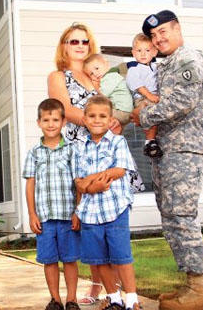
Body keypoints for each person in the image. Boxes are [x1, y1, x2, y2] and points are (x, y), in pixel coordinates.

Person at [130, 10, 203, 310]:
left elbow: (182, 102)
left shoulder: (188, 58)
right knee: (171, 218)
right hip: (167, 150)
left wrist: (143, 116)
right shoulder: (166, 64)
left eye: (163, 31)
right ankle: (190, 287)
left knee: (181, 215)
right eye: (153, 36)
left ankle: (200, 290)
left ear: (177, 28)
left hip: (184, 149)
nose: (159, 38)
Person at [47, 23, 122, 304]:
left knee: (106, 223)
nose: (79, 45)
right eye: (73, 41)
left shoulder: (99, 76)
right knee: (85, 221)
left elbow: (114, 106)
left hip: (106, 152)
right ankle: (93, 287)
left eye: (84, 41)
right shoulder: (58, 76)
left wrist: (113, 121)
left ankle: (112, 291)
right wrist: (98, 123)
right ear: (64, 45)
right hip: (78, 154)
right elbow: (64, 109)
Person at [72, 95, 141, 310]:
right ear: (84, 118)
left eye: (102, 116)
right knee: (98, 258)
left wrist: (90, 179)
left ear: (110, 118)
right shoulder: (78, 147)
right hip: (89, 212)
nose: (97, 120)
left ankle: (131, 299)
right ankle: (114, 298)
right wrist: (93, 185)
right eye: (92, 116)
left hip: (115, 208)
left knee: (121, 256)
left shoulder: (118, 141)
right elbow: (79, 183)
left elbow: (118, 170)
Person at [23, 98, 81, 310]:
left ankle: (71, 299)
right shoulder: (34, 153)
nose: (51, 124)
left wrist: (78, 212)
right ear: (39, 122)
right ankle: (55, 299)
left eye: (55, 119)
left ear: (63, 121)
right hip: (45, 218)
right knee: (49, 260)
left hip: (68, 216)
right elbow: (30, 184)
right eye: (46, 120)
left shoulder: (71, 150)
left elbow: (78, 184)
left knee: (70, 259)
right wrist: (31, 214)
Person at [126, 33, 162, 158]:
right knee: (150, 114)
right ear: (133, 53)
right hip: (142, 98)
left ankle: (153, 141)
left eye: (147, 50)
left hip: (154, 97)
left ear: (154, 52)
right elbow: (137, 85)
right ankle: (149, 142)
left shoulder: (155, 67)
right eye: (139, 50)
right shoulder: (134, 68)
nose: (143, 54)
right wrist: (150, 96)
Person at [82, 53, 133, 129]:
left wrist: (95, 85)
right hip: (123, 111)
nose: (95, 73)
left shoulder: (110, 77)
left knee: (96, 113)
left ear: (107, 64)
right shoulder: (111, 76)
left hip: (122, 112)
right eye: (91, 73)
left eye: (97, 68)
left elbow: (102, 95)